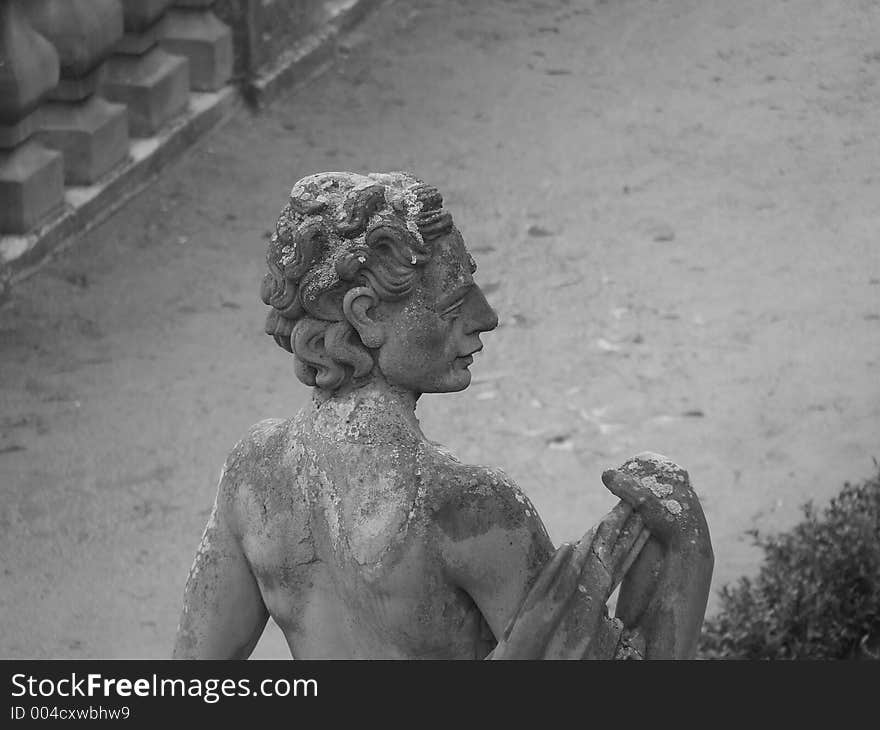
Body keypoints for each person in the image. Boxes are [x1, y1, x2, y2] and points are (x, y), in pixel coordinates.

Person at [172, 171, 713, 659]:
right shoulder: (468, 509)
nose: (487, 317)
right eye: (454, 304)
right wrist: (687, 545)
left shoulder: (255, 474)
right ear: (367, 316)